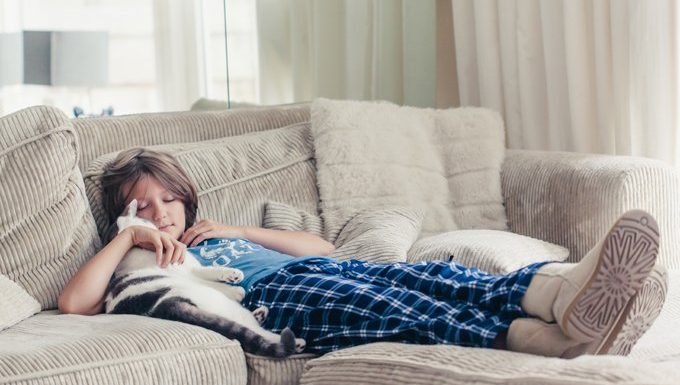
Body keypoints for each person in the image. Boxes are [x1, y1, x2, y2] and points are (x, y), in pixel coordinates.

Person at [58, 148, 661, 358]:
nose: (164, 213)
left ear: (188, 200)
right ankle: (547, 339)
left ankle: (555, 292)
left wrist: (238, 228)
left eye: (171, 200)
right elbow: (73, 302)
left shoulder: (214, 233)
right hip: (275, 298)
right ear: (127, 214)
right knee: (384, 310)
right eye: (147, 205)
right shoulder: (140, 261)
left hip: (315, 267)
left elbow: (320, 247)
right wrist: (126, 236)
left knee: (431, 279)